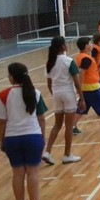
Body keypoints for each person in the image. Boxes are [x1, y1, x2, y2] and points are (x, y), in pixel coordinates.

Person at [0, 63, 51, 200]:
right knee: (32, 172)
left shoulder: (3, 95)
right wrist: (42, 136)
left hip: (12, 138)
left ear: (11, 77)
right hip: (32, 136)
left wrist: (2, 140)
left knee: (17, 173)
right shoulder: (35, 93)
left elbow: (2, 121)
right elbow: (41, 118)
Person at [43, 36, 84, 165]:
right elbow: (77, 83)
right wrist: (82, 99)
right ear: (62, 46)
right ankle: (67, 154)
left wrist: (54, 94)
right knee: (69, 126)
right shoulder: (68, 61)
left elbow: (49, 84)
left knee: (57, 124)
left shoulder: (50, 62)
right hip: (68, 93)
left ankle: (47, 151)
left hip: (56, 94)